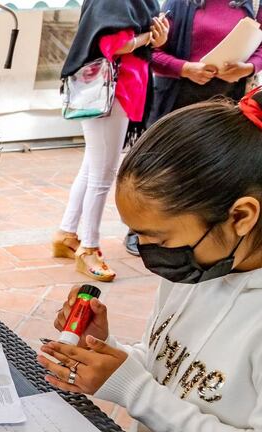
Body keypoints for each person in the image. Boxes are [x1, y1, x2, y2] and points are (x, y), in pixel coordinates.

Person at [39, 92, 262, 432]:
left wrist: (134, 390)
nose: (146, 253)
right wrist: (110, 352)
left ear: (241, 216)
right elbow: (176, 371)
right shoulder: (198, 267)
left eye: (156, 237)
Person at [122, 0, 262, 255]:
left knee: (216, 168)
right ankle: (145, 231)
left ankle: (200, 232)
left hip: (228, 102)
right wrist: (186, 68)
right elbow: (154, 53)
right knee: (163, 167)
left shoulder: (254, 3)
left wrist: (248, 67)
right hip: (178, 99)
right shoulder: (180, 3)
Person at [55, 1, 169, 280]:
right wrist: (149, 37)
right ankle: (89, 248)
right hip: (112, 90)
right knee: (103, 174)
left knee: (93, 166)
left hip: (119, 89)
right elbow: (113, 44)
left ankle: (67, 233)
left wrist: (157, 39)